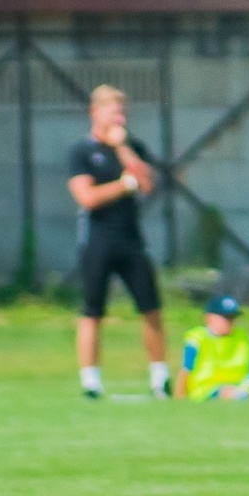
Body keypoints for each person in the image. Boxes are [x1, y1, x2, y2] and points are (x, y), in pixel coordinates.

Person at [67, 85, 169, 399]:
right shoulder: (81, 152)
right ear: (95, 112)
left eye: (123, 112)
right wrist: (124, 185)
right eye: (114, 112)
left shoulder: (133, 145)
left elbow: (147, 183)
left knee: (150, 308)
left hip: (132, 239)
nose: (120, 118)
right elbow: (87, 197)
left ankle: (160, 378)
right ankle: (90, 381)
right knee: (92, 311)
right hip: (97, 240)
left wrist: (123, 149)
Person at [176, 295, 249, 400]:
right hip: (206, 390)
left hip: (238, 385)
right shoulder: (198, 339)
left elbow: (248, 368)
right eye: (226, 317)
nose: (230, 322)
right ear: (209, 318)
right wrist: (179, 398)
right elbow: (186, 370)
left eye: (233, 317)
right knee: (232, 392)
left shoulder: (241, 337)